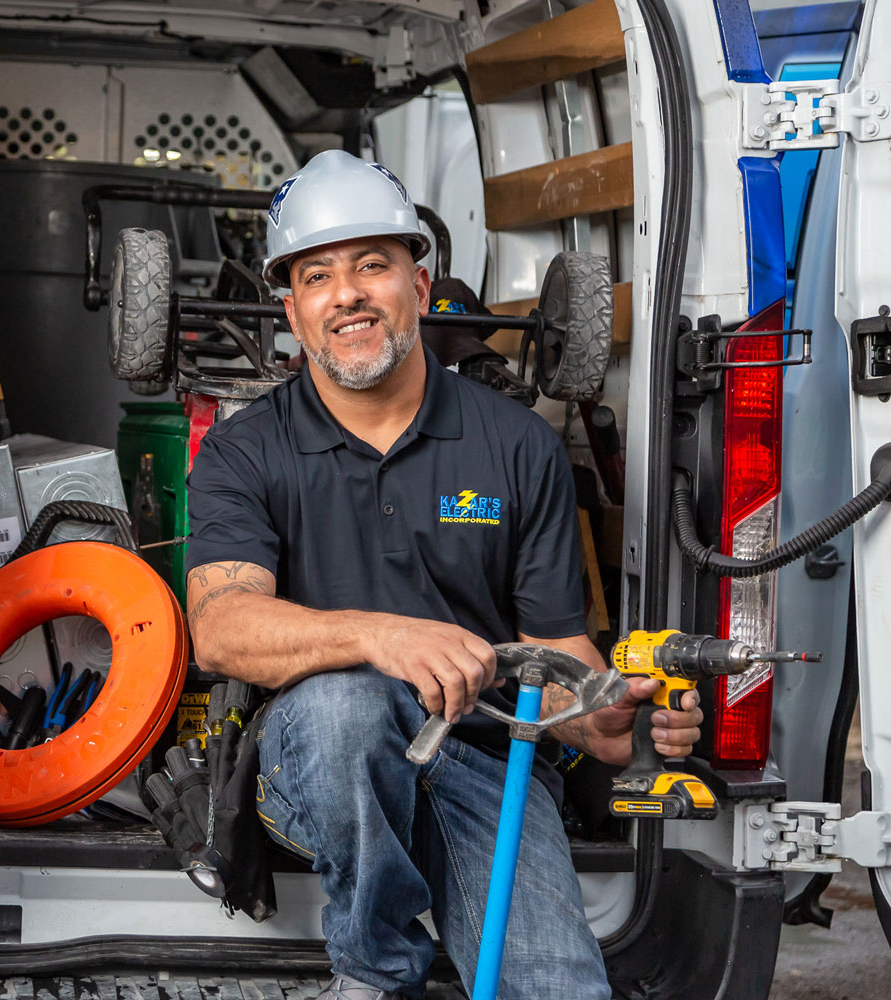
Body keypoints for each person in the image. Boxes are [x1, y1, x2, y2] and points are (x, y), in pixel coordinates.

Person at [183, 149, 704, 1000]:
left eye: (373, 265)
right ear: (292, 309)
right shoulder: (249, 449)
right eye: (318, 276)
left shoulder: (518, 445)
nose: (347, 293)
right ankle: (374, 975)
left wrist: (606, 720)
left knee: (558, 990)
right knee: (351, 704)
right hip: (314, 761)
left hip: (482, 761)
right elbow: (224, 626)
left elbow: (550, 648)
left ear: (419, 289)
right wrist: (380, 636)